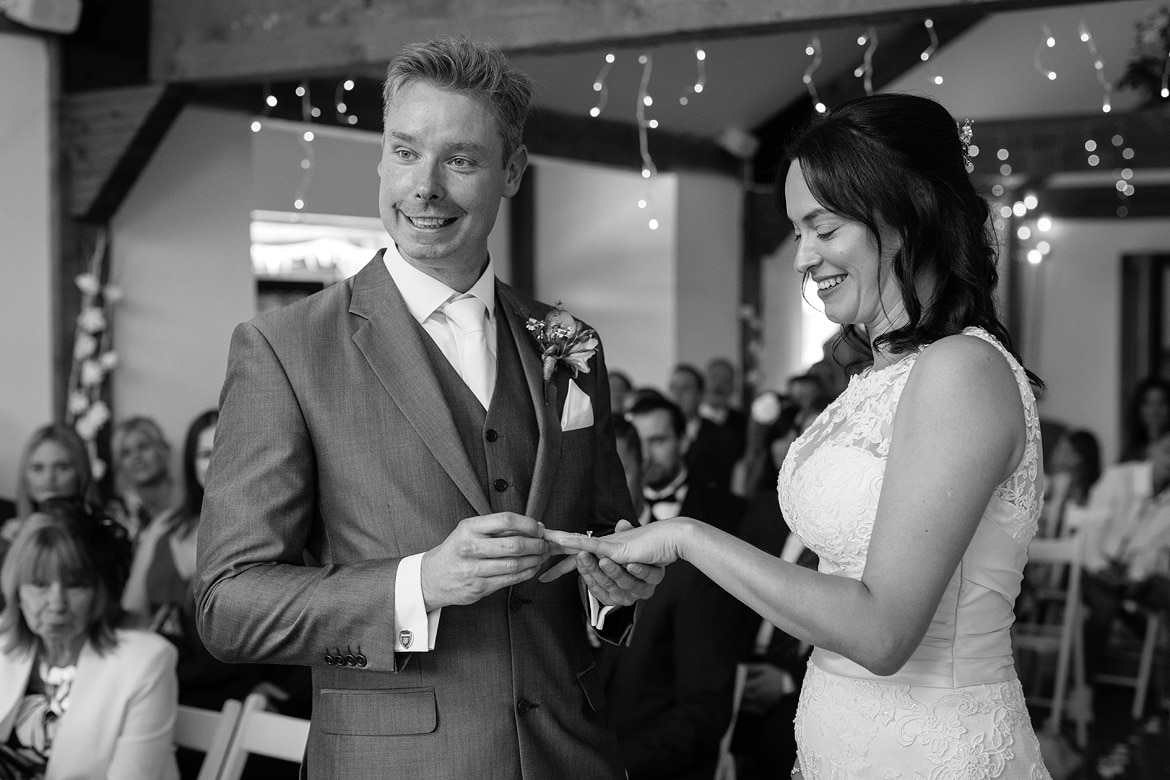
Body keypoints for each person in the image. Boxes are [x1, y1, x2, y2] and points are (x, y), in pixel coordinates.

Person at [194, 37, 661, 780]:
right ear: (382, 159)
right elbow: (228, 606)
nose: (425, 187)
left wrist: (613, 594)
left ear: (511, 171)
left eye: (462, 160)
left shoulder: (568, 341)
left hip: (572, 755)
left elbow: (603, 530)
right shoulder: (283, 347)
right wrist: (419, 584)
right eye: (406, 153)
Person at [549, 93, 1051, 777]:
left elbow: (881, 633)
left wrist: (686, 537)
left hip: (929, 752)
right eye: (796, 232)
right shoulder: (880, 375)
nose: (803, 257)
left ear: (902, 215)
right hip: (841, 744)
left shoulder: (961, 370)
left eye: (823, 227)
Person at [122, 410, 310, 733]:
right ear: (189, 462)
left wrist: (283, 693)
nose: (214, 462)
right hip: (168, 698)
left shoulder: (276, 528)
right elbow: (131, 616)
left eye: (225, 449)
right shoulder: (163, 528)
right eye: (205, 453)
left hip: (247, 707)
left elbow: (300, 622)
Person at [597, 394, 748, 779]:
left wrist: (613, 770)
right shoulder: (552, 569)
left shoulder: (688, 569)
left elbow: (704, 711)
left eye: (613, 473)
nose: (597, 488)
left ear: (640, 470)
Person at [0, 498, 178, 779]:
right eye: (39, 584)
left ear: (100, 592)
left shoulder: (145, 663)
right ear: (16, 592)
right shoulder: (4, 646)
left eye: (75, 585)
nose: (56, 603)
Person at [1077, 430, 1170, 676]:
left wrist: (1136, 576)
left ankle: (1159, 693)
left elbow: (1156, 549)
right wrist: (1101, 568)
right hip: (1094, 565)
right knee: (1104, 609)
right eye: (1167, 451)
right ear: (1151, 449)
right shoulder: (1119, 477)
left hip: (1131, 574)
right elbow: (1091, 531)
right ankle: (1085, 688)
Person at [2, 424, 101, 556]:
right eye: (38, 468)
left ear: (81, 474)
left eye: (61, 467)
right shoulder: (10, 537)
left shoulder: (103, 535)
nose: (49, 477)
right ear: (25, 477)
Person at [668, 364, 740, 494]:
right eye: (674, 388)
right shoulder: (659, 434)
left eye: (686, 388)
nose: (678, 395)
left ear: (700, 393)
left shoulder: (723, 437)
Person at [108, 416, 175, 541]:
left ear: (163, 450)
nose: (136, 458)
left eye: (143, 447)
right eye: (126, 453)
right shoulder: (116, 514)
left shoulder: (190, 499)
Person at [1119, 377, 1170, 463]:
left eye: (1161, 402)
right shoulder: (1132, 451)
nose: (1155, 410)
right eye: (1148, 403)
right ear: (1138, 408)